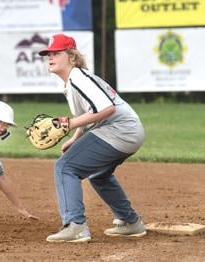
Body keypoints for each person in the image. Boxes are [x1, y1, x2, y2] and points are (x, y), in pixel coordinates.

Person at [38, 34, 146, 243]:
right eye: (48, 54)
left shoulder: (78, 77)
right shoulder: (75, 80)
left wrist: (68, 124)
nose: (50, 57)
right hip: (128, 131)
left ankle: (75, 225)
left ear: (72, 57)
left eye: (56, 53)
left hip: (119, 130)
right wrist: (75, 137)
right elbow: (90, 114)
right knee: (99, 174)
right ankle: (131, 222)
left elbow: (106, 108)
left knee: (66, 167)